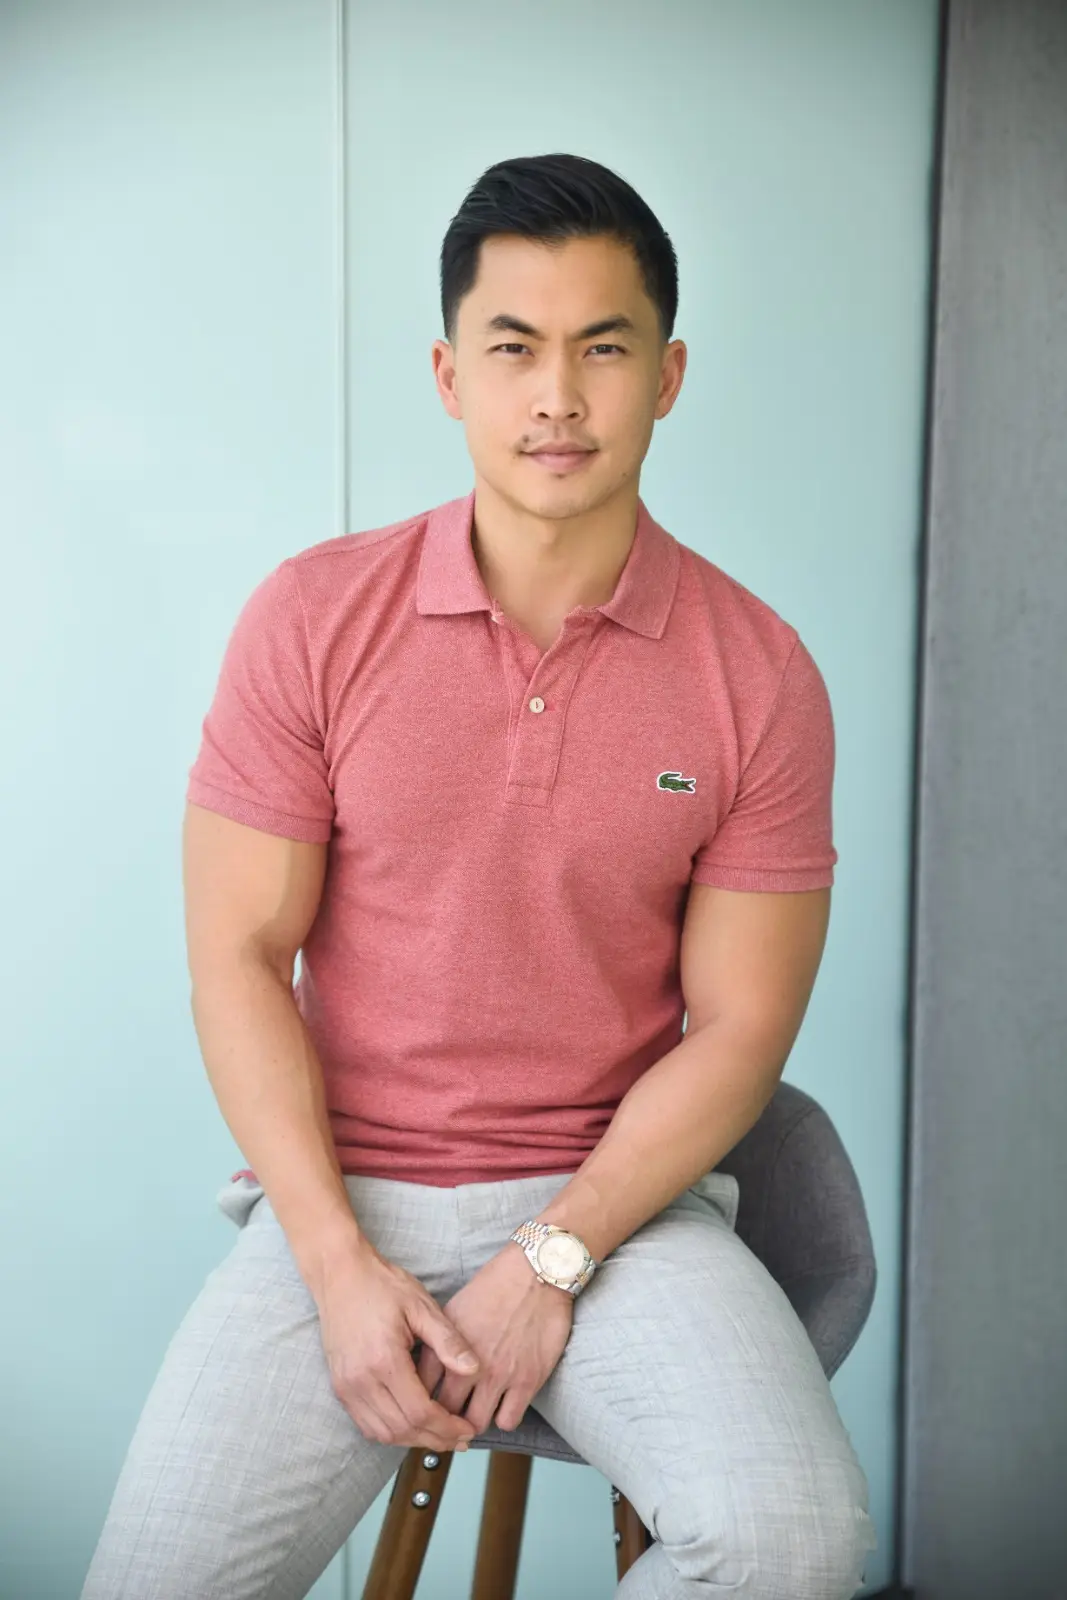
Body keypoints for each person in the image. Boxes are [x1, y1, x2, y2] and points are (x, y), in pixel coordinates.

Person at [81, 151, 877, 1599]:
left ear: (669, 374)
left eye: (602, 348)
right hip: (339, 1197)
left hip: (618, 1213)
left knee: (792, 1540)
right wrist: (330, 1266)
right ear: (451, 376)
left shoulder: (757, 674)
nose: (557, 395)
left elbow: (744, 1028)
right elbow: (240, 960)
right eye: (514, 348)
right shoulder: (315, 618)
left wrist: (554, 1260)